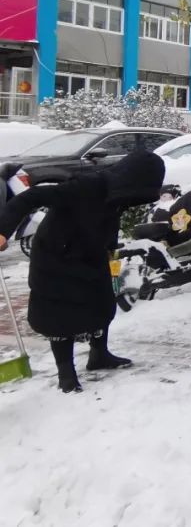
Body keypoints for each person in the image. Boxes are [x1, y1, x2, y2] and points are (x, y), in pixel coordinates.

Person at [0, 150, 165, 393]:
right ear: (131, 179)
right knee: (57, 314)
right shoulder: (85, 186)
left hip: (91, 253)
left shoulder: (117, 194)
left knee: (101, 302)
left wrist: (110, 247)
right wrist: (3, 230)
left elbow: (106, 219)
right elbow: (31, 197)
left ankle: (100, 356)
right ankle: (66, 373)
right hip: (55, 255)